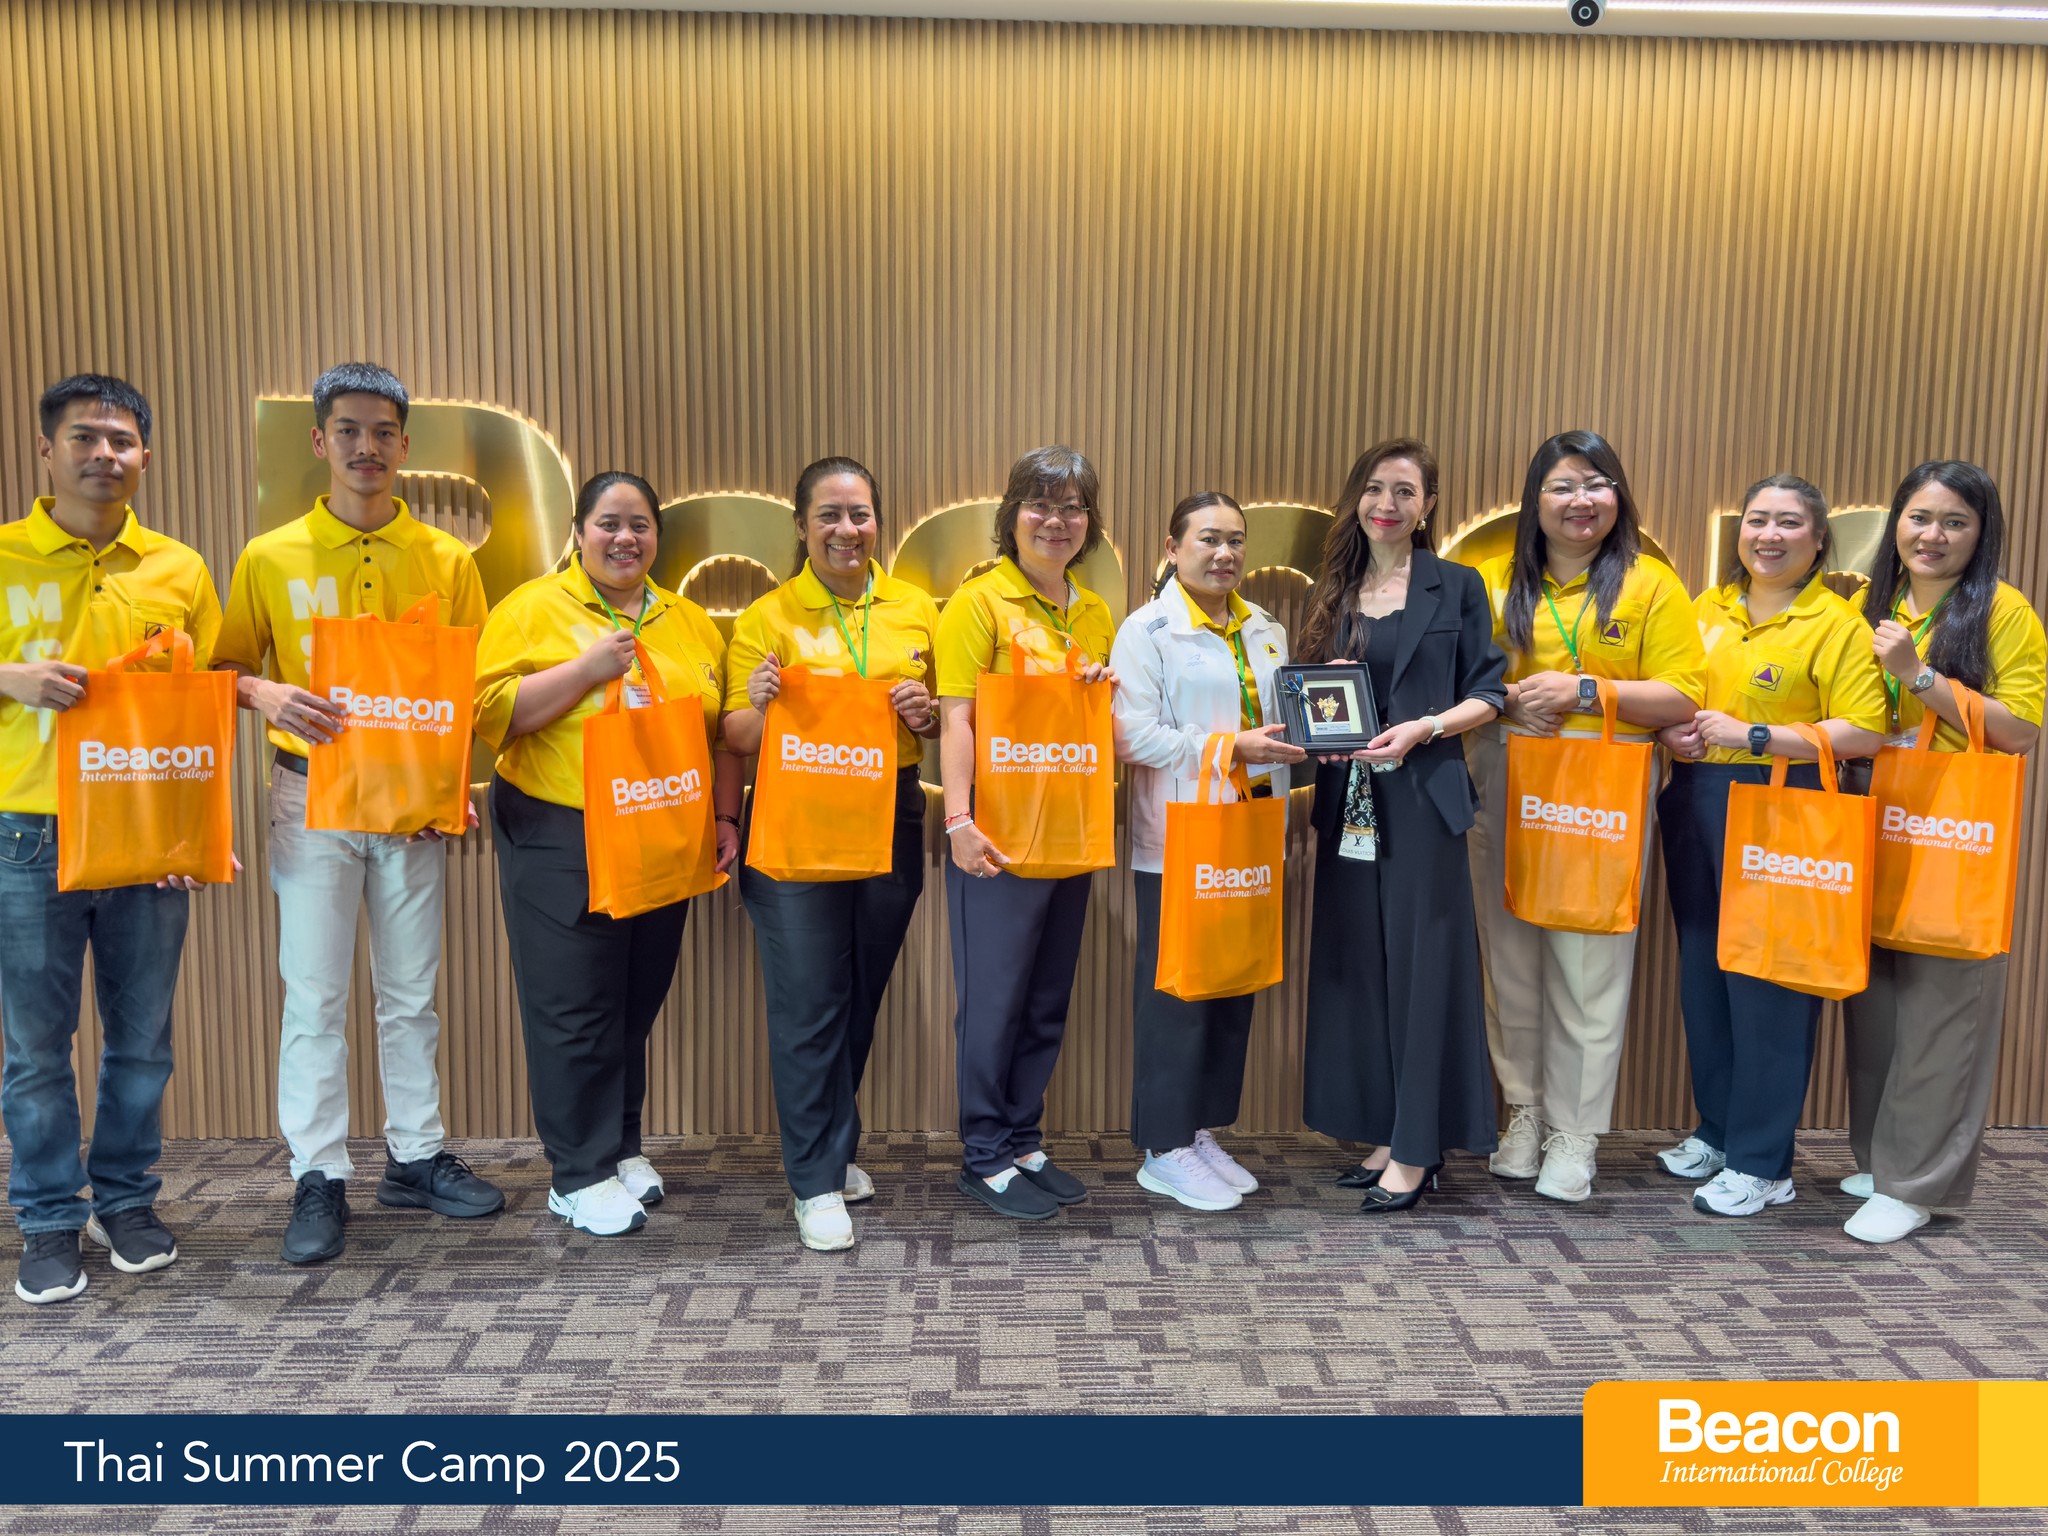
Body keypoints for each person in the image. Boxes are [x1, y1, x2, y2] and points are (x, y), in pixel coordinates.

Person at [215, 362, 504, 1265]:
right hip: (310, 795)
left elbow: (469, 692)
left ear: (404, 445)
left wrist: (449, 793)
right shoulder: (270, 555)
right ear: (319, 440)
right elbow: (222, 672)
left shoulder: (448, 560)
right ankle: (319, 1173)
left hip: (411, 806)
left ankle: (415, 1157)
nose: (365, 447)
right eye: (347, 430)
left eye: (382, 432)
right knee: (314, 996)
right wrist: (264, 692)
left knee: (411, 994)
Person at [1, 375, 226, 1304]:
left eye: (122, 440)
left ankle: (125, 1201)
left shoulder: (179, 568)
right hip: (29, 834)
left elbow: (200, 709)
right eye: (85, 437)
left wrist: (195, 830)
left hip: (146, 832)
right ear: (45, 450)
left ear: (145, 456)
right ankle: (49, 1217)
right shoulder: (4, 555)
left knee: (142, 1043)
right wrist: (8, 677)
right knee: (35, 1048)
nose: (104, 454)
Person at [474, 470, 741, 1236]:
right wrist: (585, 671)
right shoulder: (532, 608)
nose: (625, 538)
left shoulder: (689, 621)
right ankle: (577, 1174)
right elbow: (491, 715)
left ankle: (620, 1146)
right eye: (608, 524)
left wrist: (723, 816)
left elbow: (719, 731)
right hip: (562, 828)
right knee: (573, 1005)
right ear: (578, 532)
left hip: (661, 825)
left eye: (640, 525)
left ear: (657, 536)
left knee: (633, 999)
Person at [1467, 430, 1704, 1203]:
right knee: (1511, 958)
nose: (1581, 501)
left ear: (1618, 497)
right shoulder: (1493, 582)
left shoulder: (1650, 585)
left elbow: (1683, 694)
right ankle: (1525, 1111)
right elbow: (1462, 681)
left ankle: (1576, 1132)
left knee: (1589, 963)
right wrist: (1510, 701)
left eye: (1596, 484)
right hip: (1507, 777)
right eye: (1563, 486)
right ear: (1534, 501)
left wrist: (1587, 691)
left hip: (1600, 791)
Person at [721, 457, 940, 1251]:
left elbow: (939, 723)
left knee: (857, 996)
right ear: (802, 527)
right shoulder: (768, 616)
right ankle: (814, 1182)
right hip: (795, 823)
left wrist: (924, 712)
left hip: (888, 816)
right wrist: (759, 703)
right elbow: (735, 736)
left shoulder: (915, 609)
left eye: (860, 514)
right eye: (829, 516)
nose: (847, 530)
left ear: (878, 521)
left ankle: (832, 1146)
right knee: (808, 999)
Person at [1654, 476, 1887, 1218]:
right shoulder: (1707, 608)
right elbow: (1677, 694)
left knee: (1772, 985)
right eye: (1758, 520)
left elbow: (1864, 730)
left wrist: (1756, 735)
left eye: (1789, 523)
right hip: (1697, 795)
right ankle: (1720, 1133)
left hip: (1783, 806)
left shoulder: (1836, 622)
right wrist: (1673, 731)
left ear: (1818, 540)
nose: (1770, 535)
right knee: (1705, 972)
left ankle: (1763, 1162)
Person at [1294, 442, 1507, 1213]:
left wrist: (1425, 727)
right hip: (1349, 800)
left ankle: (1419, 1149)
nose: (1387, 504)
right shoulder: (1336, 587)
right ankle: (1389, 1129)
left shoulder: (1457, 585)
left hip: (1422, 797)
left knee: (1423, 970)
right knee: (1364, 967)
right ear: (1358, 498)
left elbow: (1490, 693)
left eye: (1405, 491)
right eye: (1376, 488)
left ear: (1428, 506)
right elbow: (1318, 695)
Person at [1840, 461, 2044, 1243]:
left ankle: (1917, 1182)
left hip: (1950, 823)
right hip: (1871, 810)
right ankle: (1881, 1159)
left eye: (1955, 522)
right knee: (1877, 1004)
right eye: (1920, 517)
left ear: (1981, 533)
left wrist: (1918, 676)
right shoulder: (1870, 603)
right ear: (1896, 523)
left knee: (1944, 1005)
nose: (1933, 535)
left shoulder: (2003, 610)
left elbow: (2019, 730)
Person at [936, 446, 1117, 1220]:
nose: (1056, 521)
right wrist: (959, 820)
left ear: (1089, 523)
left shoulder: (1095, 611)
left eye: (1073, 507)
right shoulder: (978, 603)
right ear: (1011, 516)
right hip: (1000, 836)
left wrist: (1101, 688)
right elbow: (957, 719)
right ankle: (983, 1153)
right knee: (995, 999)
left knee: (1045, 998)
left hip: (1069, 829)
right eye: (1040, 505)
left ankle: (1022, 1137)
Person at [1110, 492, 1303, 1212]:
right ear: (1172, 548)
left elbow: (1282, 720)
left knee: (1231, 988)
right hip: (1180, 838)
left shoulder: (1265, 628)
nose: (1225, 554)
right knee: (1180, 994)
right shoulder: (1148, 630)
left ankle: (1198, 1129)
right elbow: (1131, 736)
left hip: (1250, 833)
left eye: (1236, 541)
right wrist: (1230, 749)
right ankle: (1162, 1147)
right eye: (1209, 539)